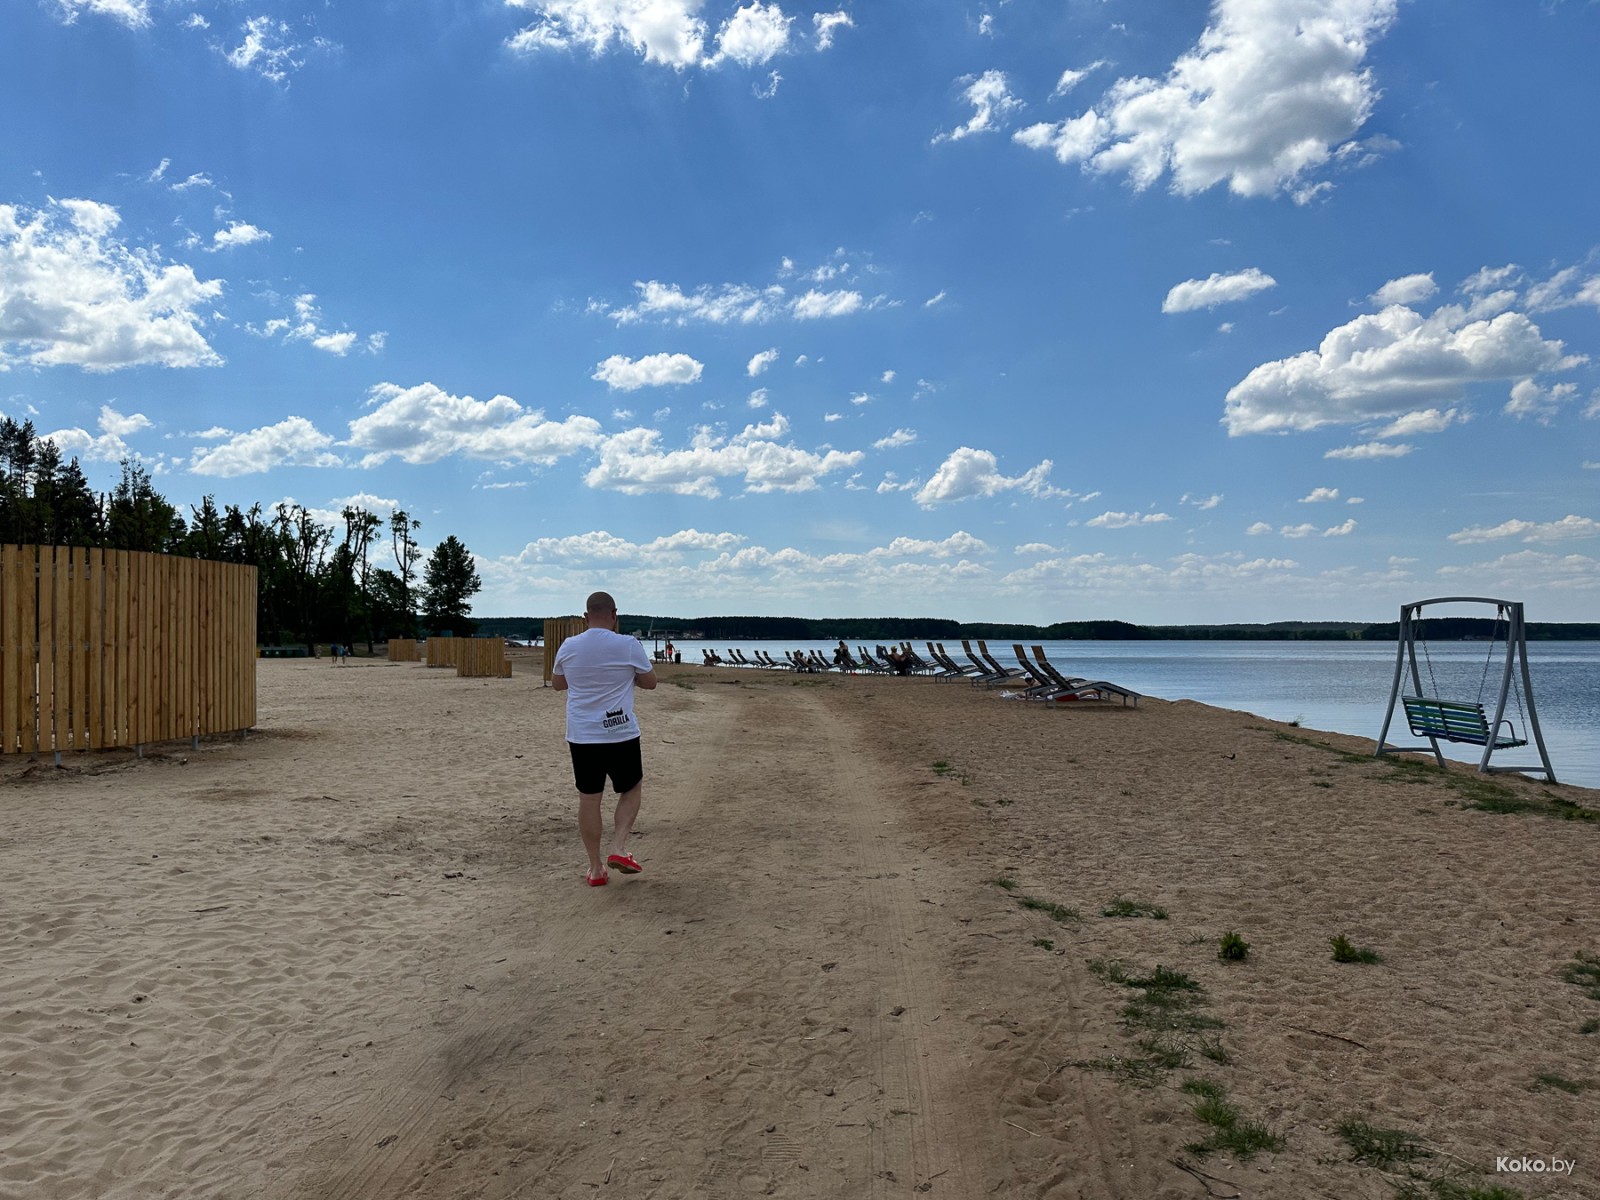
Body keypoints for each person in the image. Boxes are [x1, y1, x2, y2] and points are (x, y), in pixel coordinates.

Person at [552, 591, 657, 887]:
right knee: (632, 786)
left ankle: (596, 869)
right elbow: (651, 683)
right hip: (620, 731)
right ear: (614, 615)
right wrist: (628, 676)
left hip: (583, 734)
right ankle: (619, 847)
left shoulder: (570, 645)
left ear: (586, 617)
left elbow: (559, 685)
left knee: (589, 798)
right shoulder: (628, 645)